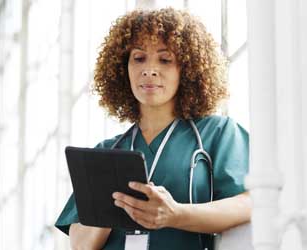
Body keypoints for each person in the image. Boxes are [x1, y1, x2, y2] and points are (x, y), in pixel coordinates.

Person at [55, 7, 251, 250]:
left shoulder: (218, 133)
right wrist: (111, 204)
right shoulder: (106, 152)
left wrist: (175, 214)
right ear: (122, 68)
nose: (149, 69)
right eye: (138, 58)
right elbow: (80, 245)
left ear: (187, 70)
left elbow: (250, 202)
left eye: (165, 59)